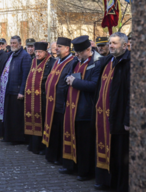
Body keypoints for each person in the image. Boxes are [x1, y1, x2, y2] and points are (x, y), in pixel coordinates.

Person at [58, 35, 101, 181]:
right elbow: (68, 76)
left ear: (88, 49)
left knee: (84, 142)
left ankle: (84, 171)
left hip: (85, 110)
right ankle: (70, 165)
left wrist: (75, 82)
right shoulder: (76, 61)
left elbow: (94, 86)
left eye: (80, 52)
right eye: (76, 52)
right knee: (71, 137)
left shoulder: (97, 63)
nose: (76, 55)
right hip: (71, 107)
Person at [94, 32, 130, 192]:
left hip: (121, 118)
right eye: (110, 43)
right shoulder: (108, 61)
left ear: (125, 45)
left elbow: (133, 95)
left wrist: (128, 120)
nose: (111, 46)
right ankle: (109, 182)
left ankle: (121, 186)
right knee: (111, 152)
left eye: (114, 43)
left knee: (121, 155)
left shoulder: (130, 63)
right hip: (105, 116)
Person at [42, 37, 75, 165]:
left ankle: (60, 157)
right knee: (53, 130)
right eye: (57, 46)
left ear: (67, 48)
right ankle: (51, 155)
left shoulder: (72, 62)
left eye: (60, 46)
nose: (56, 48)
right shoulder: (57, 61)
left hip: (62, 103)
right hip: (52, 103)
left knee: (60, 133)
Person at [0, 36, 31, 144]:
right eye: (11, 43)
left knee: (16, 116)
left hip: (17, 91)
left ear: (20, 43)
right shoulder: (10, 54)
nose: (12, 45)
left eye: (14, 43)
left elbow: (25, 76)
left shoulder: (25, 56)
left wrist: (22, 91)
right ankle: (8, 136)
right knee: (8, 115)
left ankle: (17, 138)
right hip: (8, 89)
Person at [24, 42, 55, 154]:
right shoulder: (33, 61)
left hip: (43, 98)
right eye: (36, 52)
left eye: (40, 52)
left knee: (42, 121)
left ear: (45, 52)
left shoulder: (51, 62)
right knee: (32, 118)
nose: (37, 54)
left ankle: (41, 146)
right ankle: (33, 144)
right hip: (31, 97)